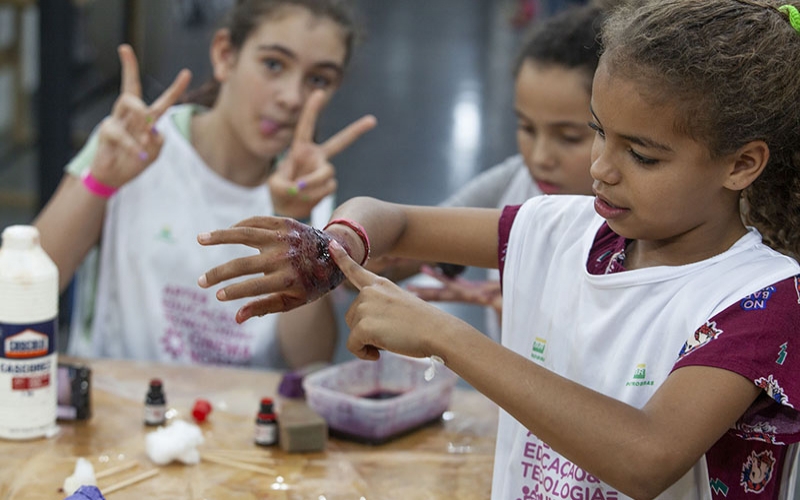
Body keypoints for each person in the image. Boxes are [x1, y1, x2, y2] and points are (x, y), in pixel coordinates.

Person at [196, 0, 800, 497]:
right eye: (596, 132)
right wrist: (337, 244)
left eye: (641, 154)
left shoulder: (760, 299)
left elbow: (646, 457)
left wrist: (444, 335)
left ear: (741, 164)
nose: (600, 168)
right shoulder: (557, 229)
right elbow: (397, 223)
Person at [34, 0, 376, 369]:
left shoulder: (308, 194)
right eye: (273, 64)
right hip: (115, 410)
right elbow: (20, 288)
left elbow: (310, 362)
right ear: (225, 55)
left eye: (318, 80)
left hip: (240, 418)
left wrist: (299, 228)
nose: (291, 97)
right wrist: (99, 181)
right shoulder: (134, 144)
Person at [398, 5, 601, 341]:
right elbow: (410, 236)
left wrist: (534, 324)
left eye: (569, 137)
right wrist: (362, 244)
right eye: (526, 128)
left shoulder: (647, 232)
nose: (539, 158)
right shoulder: (517, 180)